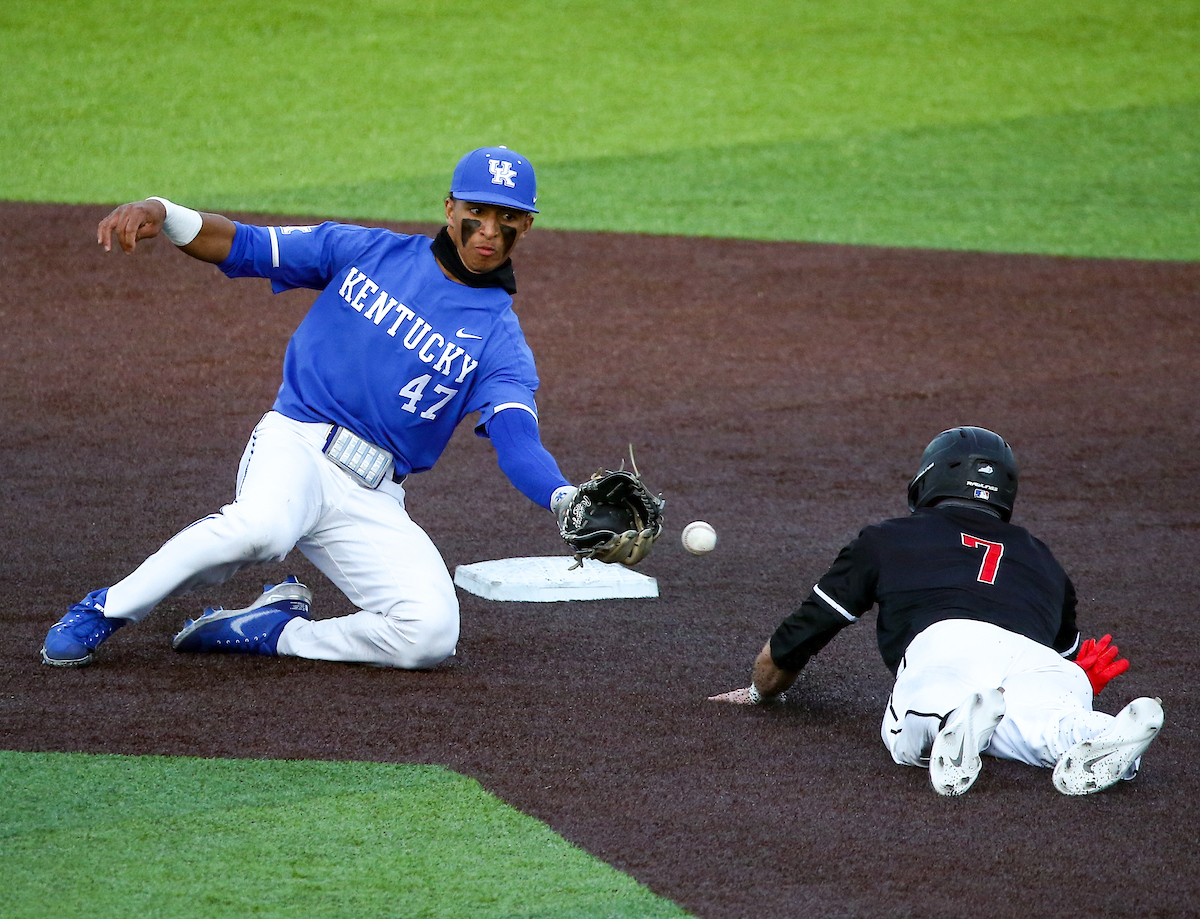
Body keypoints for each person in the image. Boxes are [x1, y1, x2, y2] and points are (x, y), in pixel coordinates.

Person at [42, 146, 583, 670]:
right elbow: (244, 244)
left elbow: (517, 439)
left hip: (371, 493)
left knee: (430, 635)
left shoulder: (500, 341)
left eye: (507, 217)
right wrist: (163, 210)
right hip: (298, 442)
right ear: (449, 209)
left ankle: (277, 633)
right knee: (261, 530)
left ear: (526, 226)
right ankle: (105, 609)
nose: (489, 230)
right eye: (477, 211)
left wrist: (564, 498)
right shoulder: (367, 251)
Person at [710, 426, 1165, 797]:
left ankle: (952, 721)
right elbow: (1066, 655)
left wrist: (760, 691)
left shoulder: (887, 538)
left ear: (930, 478)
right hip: (1043, 664)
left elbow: (807, 629)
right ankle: (1094, 730)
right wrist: (1076, 684)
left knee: (907, 732)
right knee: (1043, 727)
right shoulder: (1045, 560)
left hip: (948, 646)